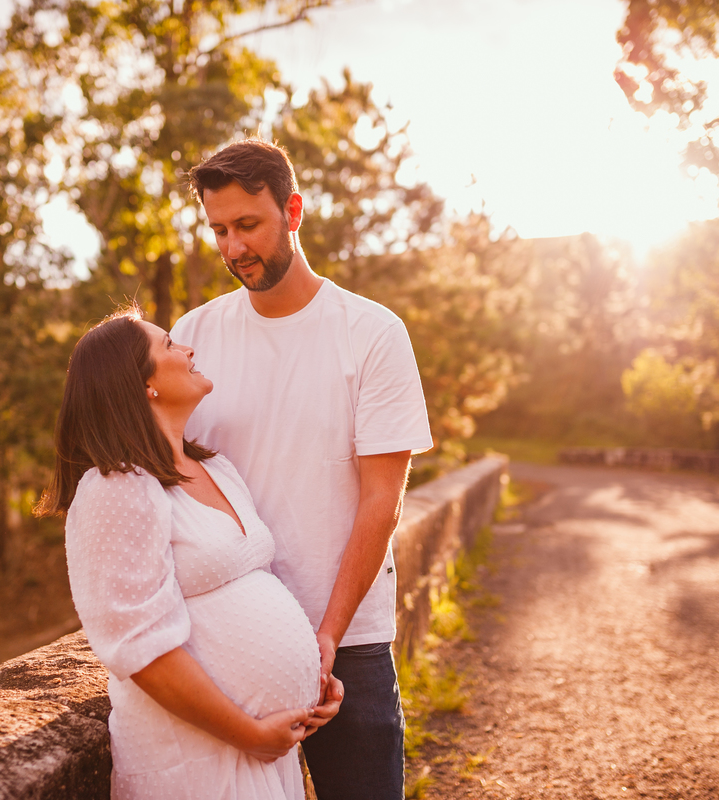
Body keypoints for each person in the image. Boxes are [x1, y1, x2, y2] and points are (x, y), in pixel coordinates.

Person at [171, 138, 433, 800]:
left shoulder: (372, 333)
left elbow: (382, 501)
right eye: (219, 230)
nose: (233, 248)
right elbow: (170, 482)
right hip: (229, 640)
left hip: (350, 641)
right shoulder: (192, 337)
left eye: (247, 225)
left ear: (292, 211)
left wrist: (327, 635)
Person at [35, 307, 342, 800]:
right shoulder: (116, 486)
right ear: (143, 385)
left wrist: (312, 680)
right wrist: (247, 732)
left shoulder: (217, 468)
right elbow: (139, 646)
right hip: (197, 758)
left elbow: (253, 593)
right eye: (169, 345)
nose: (188, 349)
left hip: (266, 752)